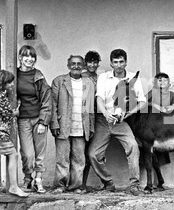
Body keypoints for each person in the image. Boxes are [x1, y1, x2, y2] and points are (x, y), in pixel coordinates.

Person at [88, 48, 146, 196]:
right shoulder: (104, 77)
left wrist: (127, 115)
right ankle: (108, 182)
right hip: (104, 120)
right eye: (115, 62)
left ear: (126, 63)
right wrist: (106, 114)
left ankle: (134, 185)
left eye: (121, 62)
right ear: (111, 63)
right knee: (93, 154)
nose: (118, 65)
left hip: (121, 120)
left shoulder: (134, 78)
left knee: (133, 147)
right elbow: (99, 98)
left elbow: (142, 102)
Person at [50, 55, 95, 194]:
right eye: (73, 63)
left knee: (79, 159)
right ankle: (60, 186)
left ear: (83, 66)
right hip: (63, 125)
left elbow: (91, 106)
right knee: (62, 159)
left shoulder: (89, 82)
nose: (76, 66)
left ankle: (76, 186)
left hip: (81, 126)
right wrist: (54, 123)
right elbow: (53, 104)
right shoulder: (59, 81)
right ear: (68, 65)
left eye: (79, 64)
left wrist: (91, 126)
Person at [0, 70, 28, 198]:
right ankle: (13, 186)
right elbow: (7, 113)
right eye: (9, 82)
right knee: (14, 154)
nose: (12, 84)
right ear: (2, 83)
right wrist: (16, 112)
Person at [16, 45, 51, 194]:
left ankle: (38, 180)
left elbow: (47, 99)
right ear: (20, 58)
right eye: (26, 56)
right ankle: (28, 177)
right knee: (28, 154)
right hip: (23, 119)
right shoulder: (15, 74)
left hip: (38, 118)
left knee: (40, 153)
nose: (29, 59)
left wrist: (43, 121)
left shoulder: (39, 76)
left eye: (32, 57)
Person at [81, 50, 102, 191]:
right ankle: (77, 183)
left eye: (95, 62)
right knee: (79, 151)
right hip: (82, 117)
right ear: (85, 63)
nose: (92, 65)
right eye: (90, 62)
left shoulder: (100, 78)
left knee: (90, 150)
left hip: (96, 117)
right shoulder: (81, 77)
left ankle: (83, 183)